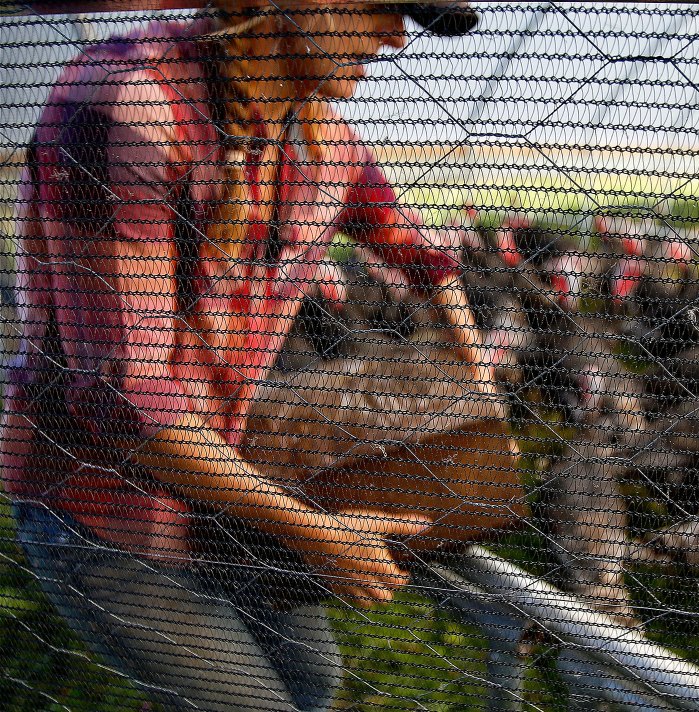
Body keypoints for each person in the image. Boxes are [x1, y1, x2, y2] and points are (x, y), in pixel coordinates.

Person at [2, 2, 484, 710]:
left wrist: (468, 356)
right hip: (104, 505)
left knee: (311, 682)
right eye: (381, 8)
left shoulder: (322, 138)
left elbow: (411, 240)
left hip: (230, 480)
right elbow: (122, 399)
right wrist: (316, 532)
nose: (393, 39)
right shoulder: (130, 103)